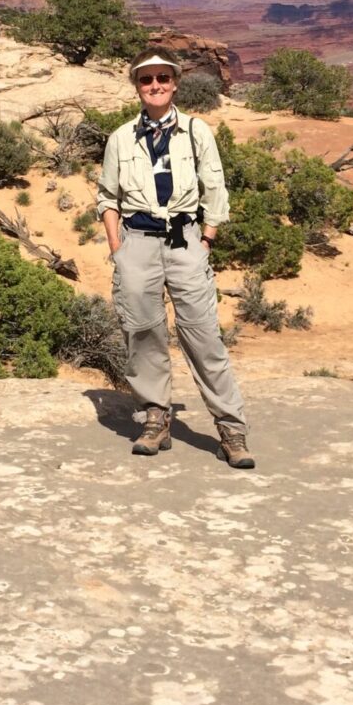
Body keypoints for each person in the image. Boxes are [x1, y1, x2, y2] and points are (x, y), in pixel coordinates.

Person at [96, 49, 254, 469]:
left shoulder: (196, 132)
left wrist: (208, 237)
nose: (155, 86)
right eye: (146, 80)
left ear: (175, 82)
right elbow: (107, 197)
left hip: (186, 241)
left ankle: (231, 429)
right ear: (136, 86)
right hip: (137, 241)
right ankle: (155, 418)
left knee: (203, 335)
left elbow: (215, 187)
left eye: (162, 78)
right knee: (142, 332)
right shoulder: (120, 138)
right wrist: (118, 249)